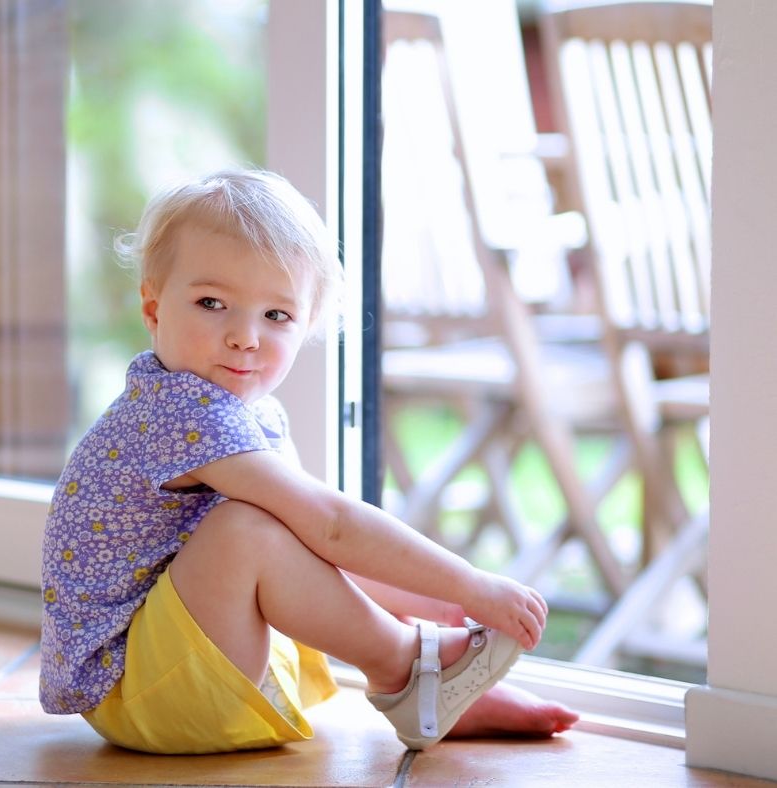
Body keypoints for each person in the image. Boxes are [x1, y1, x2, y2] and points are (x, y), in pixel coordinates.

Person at [39, 168, 578, 754]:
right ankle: (407, 670)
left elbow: (317, 544)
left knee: (273, 526)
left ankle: (435, 684)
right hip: (138, 689)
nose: (245, 336)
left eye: (276, 315)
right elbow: (332, 523)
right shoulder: (180, 413)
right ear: (153, 307)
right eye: (212, 302)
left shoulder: (250, 413)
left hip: (178, 664)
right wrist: (469, 585)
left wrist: (434, 605)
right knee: (248, 529)